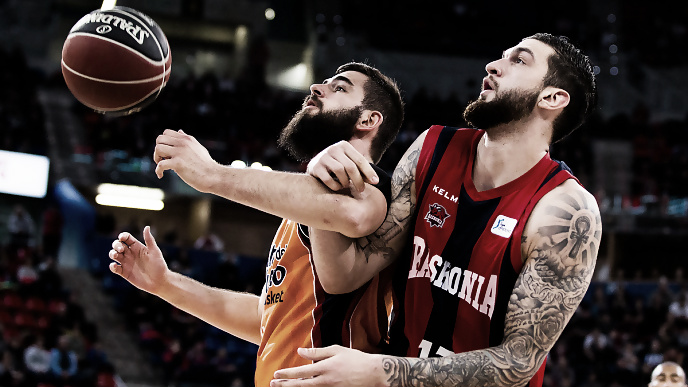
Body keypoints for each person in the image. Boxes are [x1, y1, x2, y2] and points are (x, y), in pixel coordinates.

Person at [271, 33, 601, 387]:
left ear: (552, 98)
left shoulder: (566, 212)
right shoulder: (433, 147)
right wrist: (324, 184)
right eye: (502, 56)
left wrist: (378, 371)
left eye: (518, 60)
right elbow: (345, 275)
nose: (493, 65)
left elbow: (518, 363)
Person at [108, 62, 404, 387]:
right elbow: (269, 319)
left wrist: (213, 175)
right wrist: (166, 284)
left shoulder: (371, 186)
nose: (317, 88)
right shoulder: (302, 209)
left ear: (368, 119)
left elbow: (351, 214)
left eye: (340, 87)